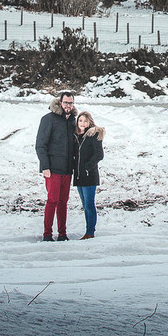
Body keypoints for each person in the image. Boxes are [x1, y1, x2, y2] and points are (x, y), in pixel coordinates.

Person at [35, 90, 78, 241]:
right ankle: (47, 234)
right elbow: (40, 145)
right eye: (66, 102)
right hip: (52, 169)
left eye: (71, 103)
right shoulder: (49, 119)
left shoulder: (73, 120)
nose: (68, 105)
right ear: (60, 102)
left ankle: (62, 234)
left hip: (67, 169)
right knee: (52, 200)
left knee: (63, 202)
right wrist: (45, 166)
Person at [73, 111, 105, 239]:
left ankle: (90, 231)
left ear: (89, 122)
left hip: (89, 175)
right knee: (84, 204)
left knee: (89, 204)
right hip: (79, 176)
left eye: (85, 121)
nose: (82, 123)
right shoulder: (76, 136)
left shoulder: (93, 135)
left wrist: (88, 167)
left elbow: (99, 154)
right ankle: (88, 230)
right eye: (80, 121)